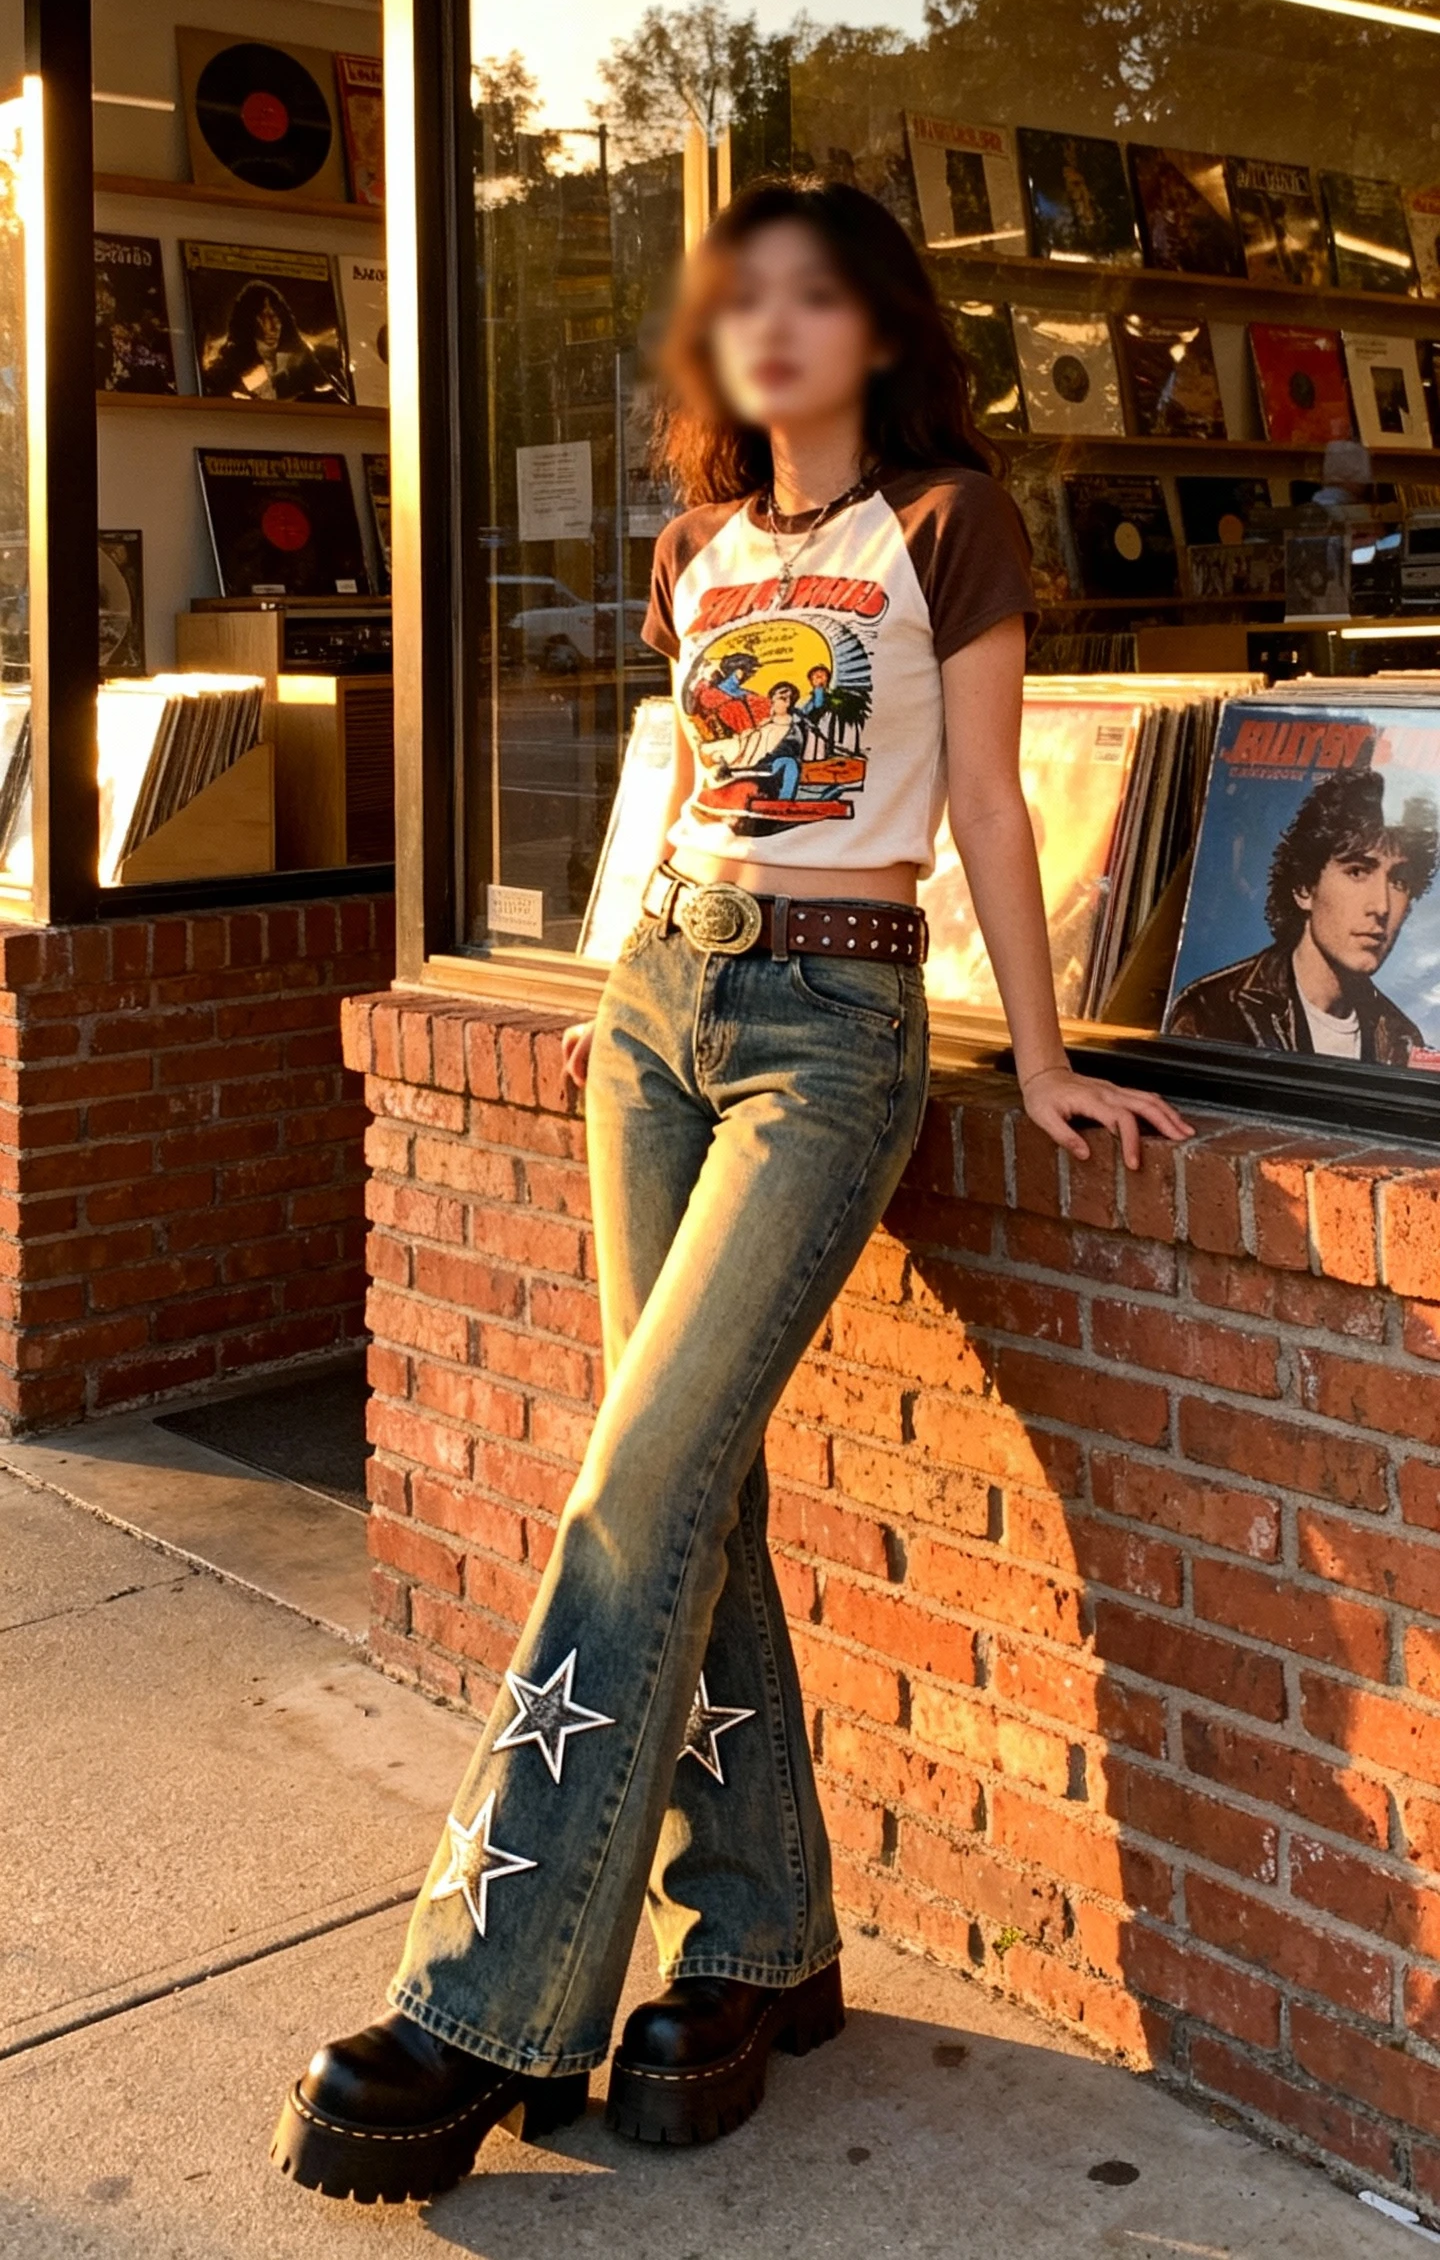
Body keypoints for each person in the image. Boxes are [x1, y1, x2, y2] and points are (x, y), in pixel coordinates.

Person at [272, 176, 1190, 2205]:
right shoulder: (696, 549)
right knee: (701, 1488)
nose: (774, 325)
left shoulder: (947, 526)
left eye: (817, 294)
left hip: (830, 1028)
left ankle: (488, 1990)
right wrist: (608, 998)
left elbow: (974, 816)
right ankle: (761, 1936)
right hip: (656, 1004)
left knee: (630, 1489)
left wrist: (1037, 1061)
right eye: (741, 298)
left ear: (879, 330)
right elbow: (676, 793)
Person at [1168, 762, 1437, 1064]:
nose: (1381, 907)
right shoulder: (1210, 1011)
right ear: (1304, 888)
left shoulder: (1402, 1037)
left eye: (1399, 881)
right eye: (1358, 871)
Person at [202, 278, 349, 404]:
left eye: (276, 315)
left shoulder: (299, 369)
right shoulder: (226, 371)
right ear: (248, 319)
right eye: (264, 315)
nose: (272, 325)